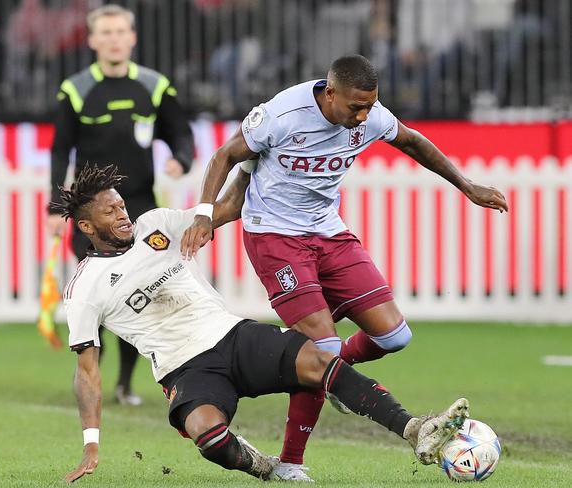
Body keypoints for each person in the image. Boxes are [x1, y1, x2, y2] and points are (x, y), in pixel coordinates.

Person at [181, 54, 508, 479]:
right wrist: (205, 213)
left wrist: (467, 186)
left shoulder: (368, 118)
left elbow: (412, 141)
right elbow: (225, 155)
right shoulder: (281, 116)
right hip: (275, 238)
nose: (364, 116)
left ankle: (337, 377)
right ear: (330, 93)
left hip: (329, 233)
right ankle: (291, 464)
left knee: (395, 336)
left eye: (370, 105)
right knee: (322, 350)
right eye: (356, 106)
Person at [53, 163, 470, 483]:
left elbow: (230, 207)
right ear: (87, 227)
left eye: (122, 205)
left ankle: (415, 429)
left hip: (233, 336)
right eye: (111, 212)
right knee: (208, 436)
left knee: (319, 360)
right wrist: (91, 445)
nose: (123, 214)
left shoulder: (157, 225)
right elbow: (87, 371)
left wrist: (250, 161)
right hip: (185, 368)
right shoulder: (85, 287)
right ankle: (267, 468)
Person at [47, 4, 195, 406]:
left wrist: (180, 159)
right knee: (94, 298)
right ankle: (90, 375)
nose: (114, 39)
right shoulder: (76, 89)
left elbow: (182, 135)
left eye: (120, 32)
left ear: (132, 37)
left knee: (138, 296)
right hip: (90, 215)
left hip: (140, 209)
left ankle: (127, 384)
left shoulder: (154, 85)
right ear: (92, 40)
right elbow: (60, 151)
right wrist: (54, 208)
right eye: (105, 33)